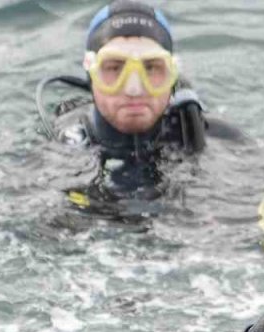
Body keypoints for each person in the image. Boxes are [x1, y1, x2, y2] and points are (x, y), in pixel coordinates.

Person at [41, 1, 238, 199]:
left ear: (171, 76)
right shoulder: (62, 149)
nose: (134, 89)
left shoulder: (212, 138)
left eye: (151, 68)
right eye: (114, 68)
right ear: (91, 76)